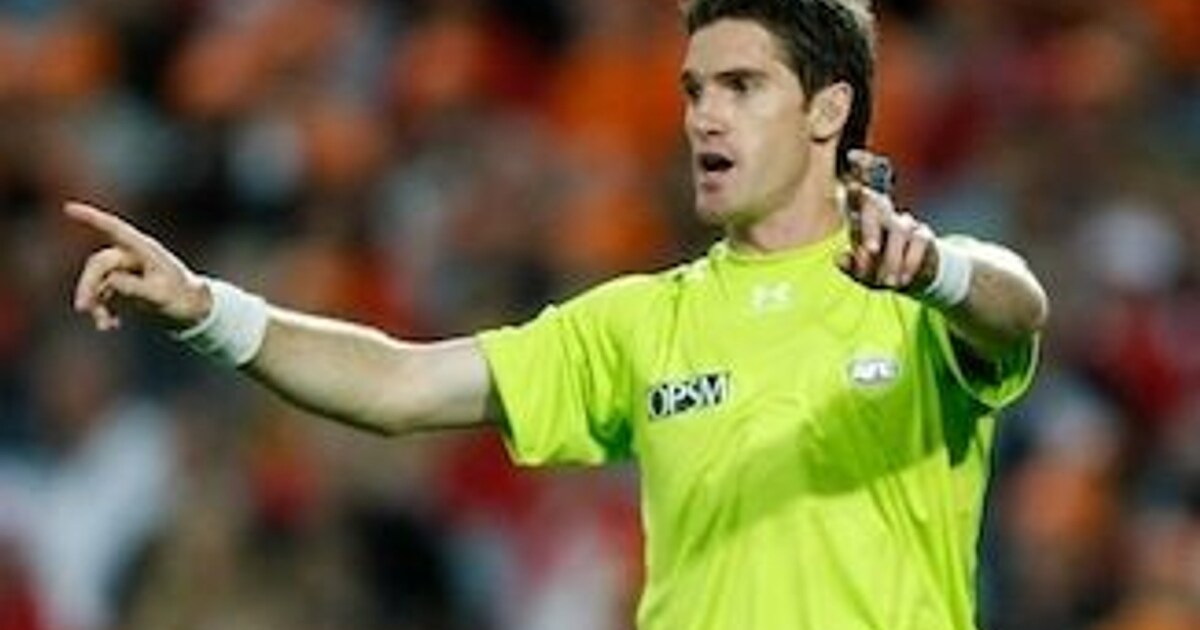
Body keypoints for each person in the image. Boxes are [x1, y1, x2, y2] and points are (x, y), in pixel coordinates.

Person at [66, 0, 1048, 627]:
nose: (703, 116)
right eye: (694, 90)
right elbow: (402, 384)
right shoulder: (639, 322)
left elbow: (1016, 307)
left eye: (741, 87)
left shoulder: (923, 296)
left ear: (828, 110)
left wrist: (937, 271)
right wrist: (208, 310)